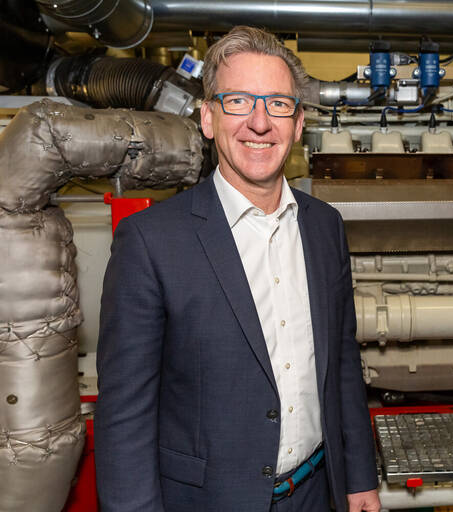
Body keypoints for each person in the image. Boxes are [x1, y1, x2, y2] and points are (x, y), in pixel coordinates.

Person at [95, 26, 381, 512]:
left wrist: (358, 479)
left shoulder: (324, 227)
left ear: (298, 122)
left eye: (277, 104)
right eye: (238, 102)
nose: (260, 122)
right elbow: (125, 414)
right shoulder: (151, 241)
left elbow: (342, 365)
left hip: (316, 492)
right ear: (208, 118)